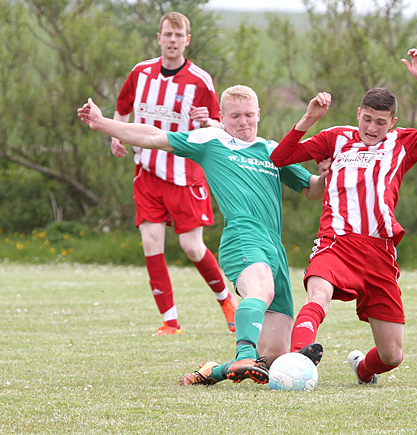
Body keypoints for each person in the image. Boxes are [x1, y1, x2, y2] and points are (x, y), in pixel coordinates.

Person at [78, 85, 327, 386]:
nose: (243, 122)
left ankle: (214, 371)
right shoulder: (212, 141)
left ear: (259, 114)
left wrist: (330, 171)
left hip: (275, 245)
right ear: (221, 117)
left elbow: (313, 190)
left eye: (249, 115)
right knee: (261, 289)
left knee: (273, 357)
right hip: (242, 234)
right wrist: (103, 122)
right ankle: (244, 350)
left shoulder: (273, 150)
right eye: (235, 116)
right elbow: (152, 136)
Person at [270, 49, 417, 384]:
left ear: (392, 122)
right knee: (318, 294)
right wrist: (308, 119)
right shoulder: (335, 138)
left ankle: (363, 370)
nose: (371, 127)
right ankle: (299, 359)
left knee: (392, 356)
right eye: (366, 119)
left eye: (380, 122)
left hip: (379, 251)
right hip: (336, 240)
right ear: (358, 113)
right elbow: (281, 157)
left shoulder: (404, 143)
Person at [111, 12, 236, 336]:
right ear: (159, 37)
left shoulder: (200, 80)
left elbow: (223, 127)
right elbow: (122, 109)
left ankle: (226, 302)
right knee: (151, 241)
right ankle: (170, 322)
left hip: (185, 173)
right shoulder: (141, 73)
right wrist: (116, 134)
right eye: (167, 34)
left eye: (178, 36)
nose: (172, 41)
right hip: (148, 171)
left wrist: (207, 120)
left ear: (187, 41)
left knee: (192, 247)